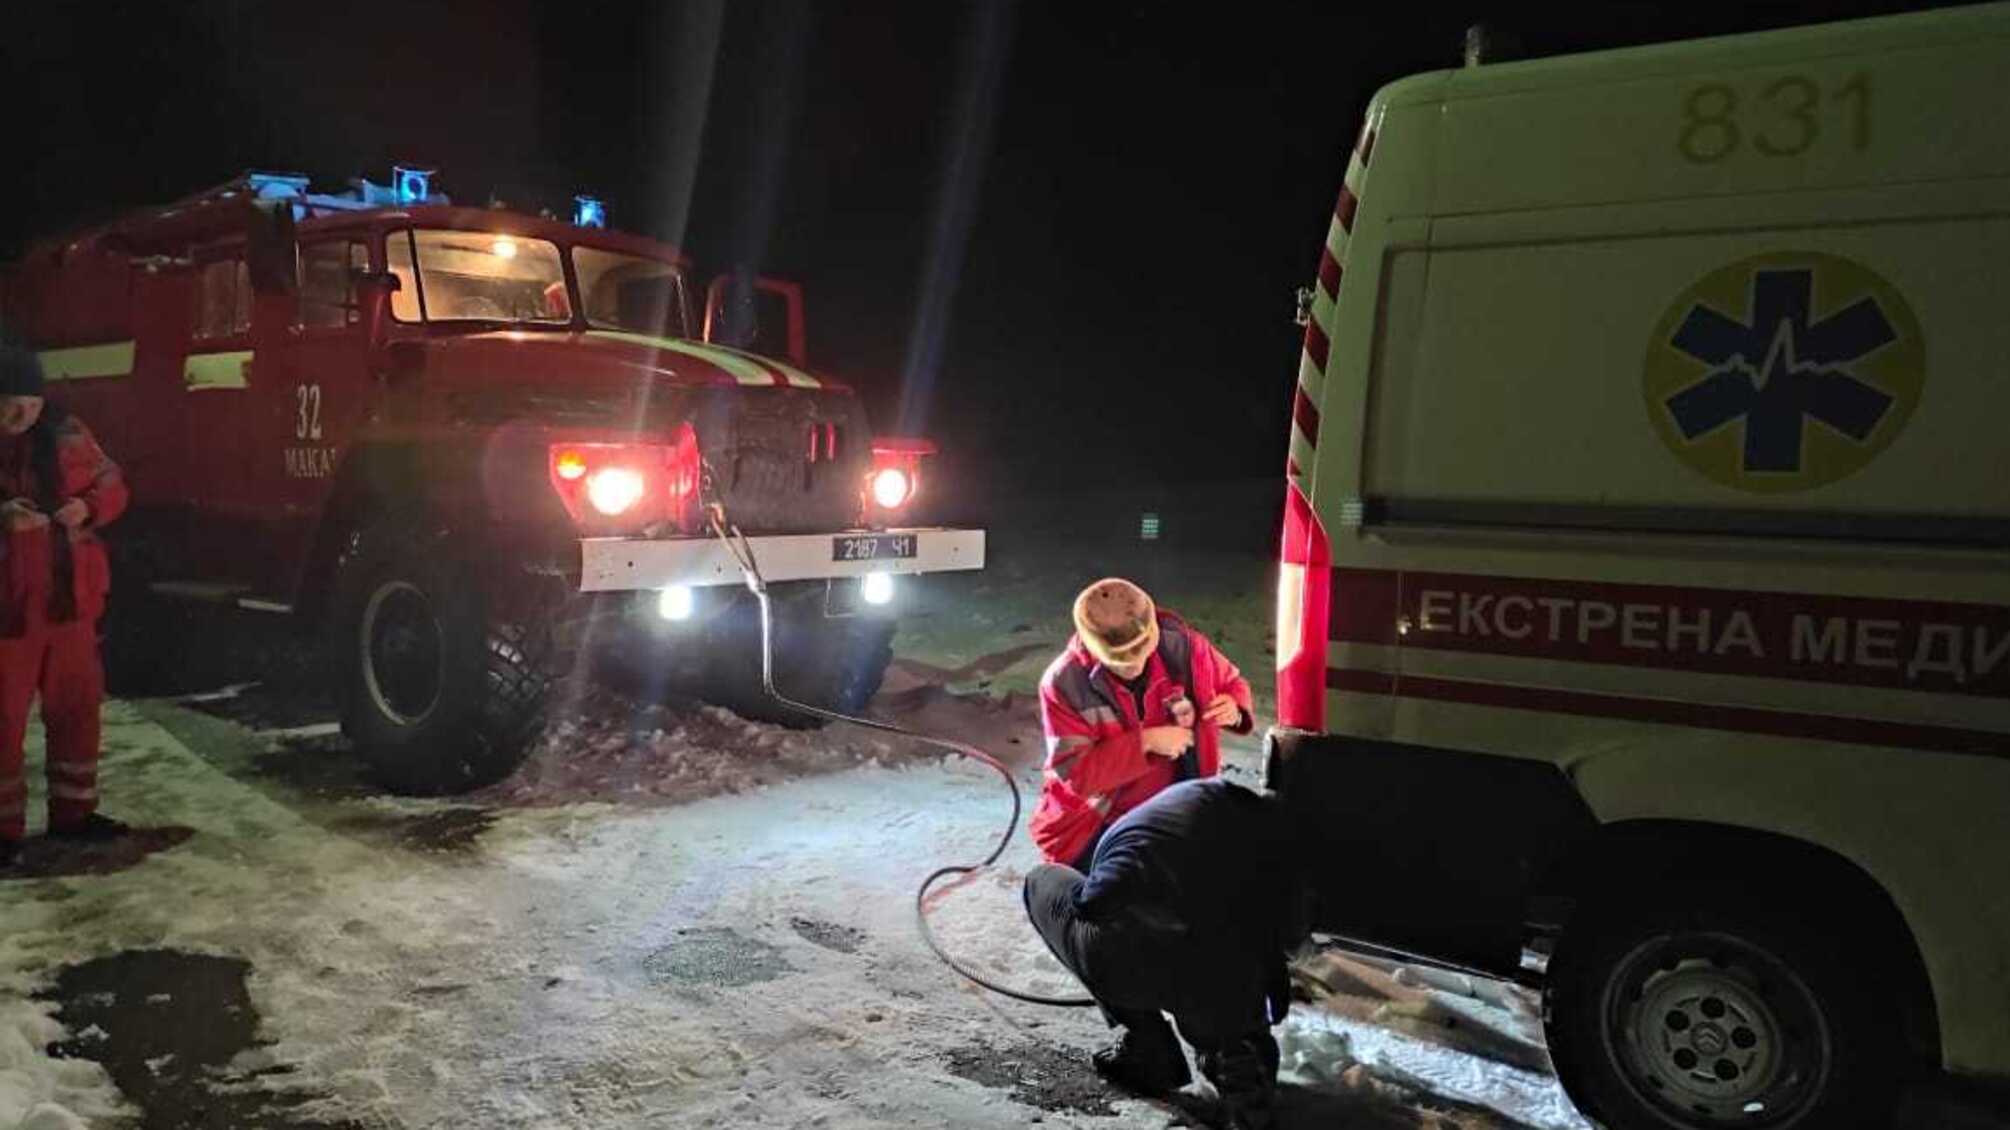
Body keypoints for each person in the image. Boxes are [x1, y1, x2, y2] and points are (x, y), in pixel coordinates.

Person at [1023, 778, 1300, 1130]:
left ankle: (1151, 1047)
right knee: (1226, 960)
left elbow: (1093, 903)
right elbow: (1279, 950)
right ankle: (1236, 1058)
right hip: (1222, 984)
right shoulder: (1277, 848)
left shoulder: (1188, 807)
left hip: (1167, 963)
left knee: (1041, 881)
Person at [0, 340, 130, 869]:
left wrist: (87, 507)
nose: (20, 417)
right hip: (9, 613)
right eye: (9, 406)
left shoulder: (69, 435)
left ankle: (74, 814)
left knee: (77, 710)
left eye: (29, 405)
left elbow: (112, 483)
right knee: (2, 720)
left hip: (70, 606)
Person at [1033, 577, 1253, 870]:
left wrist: (1234, 707)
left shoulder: (1186, 649)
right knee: (1100, 887)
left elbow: (1232, 682)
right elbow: (1077, 775)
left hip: (1177, 801)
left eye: (1141, 652)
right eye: (1121, 662)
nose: (1135, 666)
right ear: (1092, 649)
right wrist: (1147, 742)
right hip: (1100, 819)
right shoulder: (1063, 684)